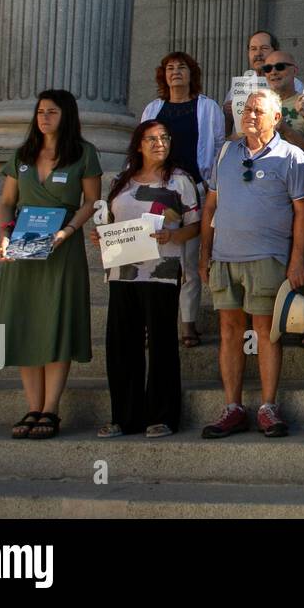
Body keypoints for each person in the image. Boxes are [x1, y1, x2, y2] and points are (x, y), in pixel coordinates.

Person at [198, 89, 304, 439]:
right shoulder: (227, 152)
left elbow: (303, 213)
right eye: (246, 109)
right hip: (225, 256)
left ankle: (267, 407)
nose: (248, 114)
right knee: (229, 332)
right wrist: (205, 253)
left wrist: (296, 261)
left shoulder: (292, 156)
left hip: (268, 257)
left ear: (276, 118)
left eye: (257, 110)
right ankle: (232, 407)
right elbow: (211, 207)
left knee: (266, 333)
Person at [0, 90, 103, 440]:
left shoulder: (84, 153)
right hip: (24, 248)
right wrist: (5, 236)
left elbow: (92, 201)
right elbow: (7, 202)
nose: (44, 118)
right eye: (40, 112)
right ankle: (32, 406)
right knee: (26, 323)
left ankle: (51, 409)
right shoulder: (22, 155)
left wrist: (69, 231)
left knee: (56, 322)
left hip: (62, 248)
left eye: (52, 112)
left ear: (66, 115)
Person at [90, 120, 201, 438]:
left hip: (161, 272)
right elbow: (110, 220)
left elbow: (196, 224)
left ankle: (162, 416)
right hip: (122, 272)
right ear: (138, 144)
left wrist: (174, 234)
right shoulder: (121, 180)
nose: (159, 143)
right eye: (151, 138)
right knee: (121, 345)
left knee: (163, 344)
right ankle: (123, 417)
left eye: (164, 137)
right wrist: (101, 236)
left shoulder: (180, 181)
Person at [139, 51, 224, 348]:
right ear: (163, 75)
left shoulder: (208, 107)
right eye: (170, 68)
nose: (176, 72)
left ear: (192, 74)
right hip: (158, 189)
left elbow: (217, 148)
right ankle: (154, 323)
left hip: (195, 189)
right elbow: (141, 147)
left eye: (182, 68)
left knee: (189, 259)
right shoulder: (153, 108)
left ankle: (188, 324)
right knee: (156, 259)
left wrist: (211, 187)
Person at [262, 49, 304, 346]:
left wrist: (284, 128)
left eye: (280, 66)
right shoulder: (257, 105)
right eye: (267, 68)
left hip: (299, 191)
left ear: (294, 69)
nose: (273, 71)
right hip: (265, 194)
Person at [221, 30, 304, 131]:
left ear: (276, 51)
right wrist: (227, 115)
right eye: (253, 49)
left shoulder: (292, 83)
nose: (258, 53)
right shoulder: (240, 86)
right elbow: (226, 133)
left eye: (264, 48)